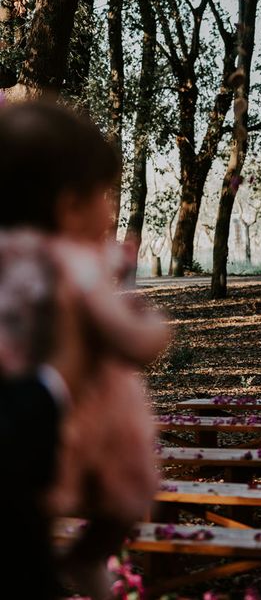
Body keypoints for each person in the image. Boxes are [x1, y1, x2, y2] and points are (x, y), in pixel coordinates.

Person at [0, 101, 169, 598]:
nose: (111, 208)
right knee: (126, 490)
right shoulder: (72, 264)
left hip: (33, 435)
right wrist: (153, 327)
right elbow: (132, 340)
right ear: (70, 206)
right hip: (88, 420)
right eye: (104, 194)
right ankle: (89, 559)